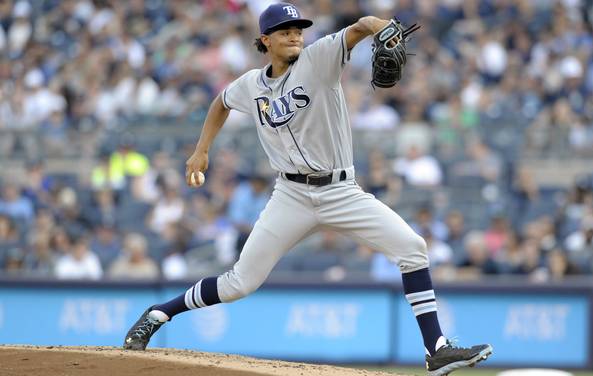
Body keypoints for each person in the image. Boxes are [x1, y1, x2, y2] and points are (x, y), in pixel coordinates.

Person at [123, 3, 492, 374]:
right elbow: (220, 103)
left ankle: (436, 349)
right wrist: (201, 150)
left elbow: (361, 26)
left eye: (298, 29)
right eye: (285, 31)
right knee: (239, 283)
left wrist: (383, 27)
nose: (295, 35)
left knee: (413, 249)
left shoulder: (319, 59)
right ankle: (159, 313)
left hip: (340, 190)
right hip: (290, 196)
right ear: (265, 40)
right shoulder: (251, 85)